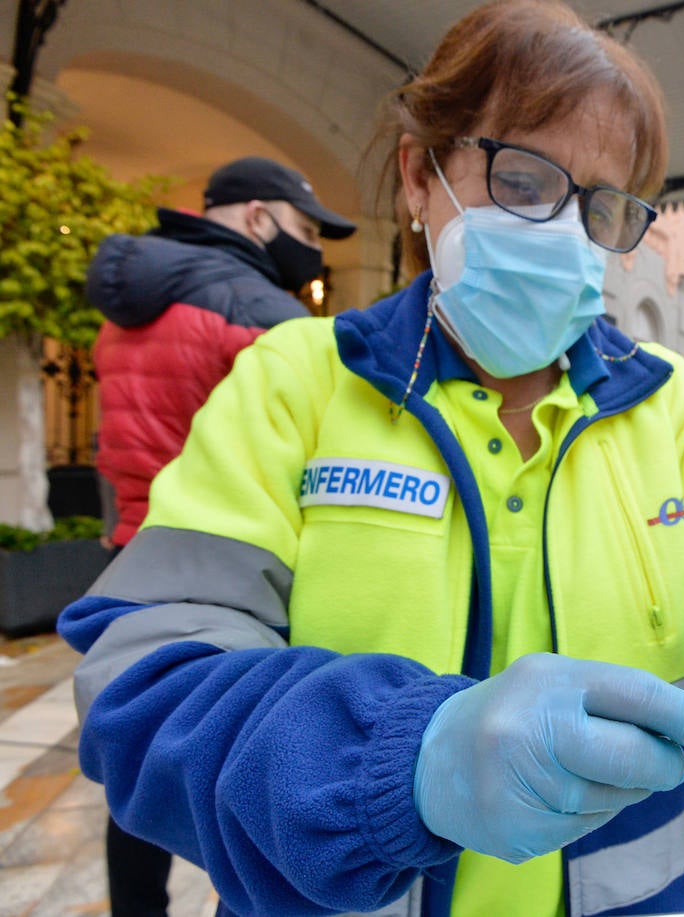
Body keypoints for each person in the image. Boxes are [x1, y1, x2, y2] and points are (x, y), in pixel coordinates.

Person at [57, 4, 684, 916]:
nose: (562, 233)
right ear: (417, 174)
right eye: (521, 180)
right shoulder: (298, 383)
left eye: (604, 208)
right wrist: (404, 760)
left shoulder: (673, 404)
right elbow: (147, 687)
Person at [87, 155, 355, 916]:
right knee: (237, 753)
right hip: (225, 556)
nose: (312, 248)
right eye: (304, 229)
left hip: (132, 548)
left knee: (143, 746)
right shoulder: (255, 310)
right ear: (257, 218)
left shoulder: (130, 306)